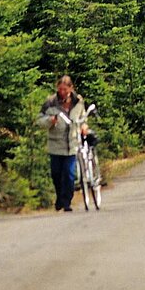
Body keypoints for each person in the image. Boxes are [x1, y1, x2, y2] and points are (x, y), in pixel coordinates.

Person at [36, 75, 88, 212]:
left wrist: (84, 126)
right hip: (55, 145)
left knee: (69, 174)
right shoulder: (50, 102)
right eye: (60, 89)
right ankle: (59, 197)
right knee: (56, 174)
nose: (62, 92)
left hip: (72, 145)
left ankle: (66, 202)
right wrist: (50, 121)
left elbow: (82, 118)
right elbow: (39, 120)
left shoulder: (78, 101)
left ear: (71, 88)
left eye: (65, 89)